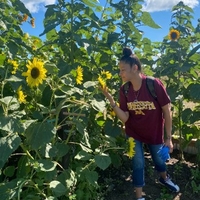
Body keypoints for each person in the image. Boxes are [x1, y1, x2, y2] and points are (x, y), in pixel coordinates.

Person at [100, 47, 180, 200]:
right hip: (134, 132)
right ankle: (139, 197)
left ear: (135, 68)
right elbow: (125, 118)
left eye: (123, 70)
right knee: (138, 163)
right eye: (119, 70)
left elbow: (167, 111)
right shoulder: (124, 90)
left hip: (154, 132)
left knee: (159, 160)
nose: (120, 73)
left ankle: (164, 178)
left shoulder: (153, 84)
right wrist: (111, 101)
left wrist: (168, 138)